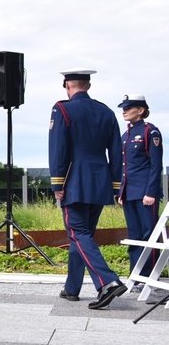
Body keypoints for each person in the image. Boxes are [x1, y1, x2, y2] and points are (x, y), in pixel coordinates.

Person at [49, 69, 126, 309]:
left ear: (67, 86)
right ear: (88, 86)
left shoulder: (61, 109)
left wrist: (58, 183)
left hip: (74, 179)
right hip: (100, 181)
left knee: (78, 233)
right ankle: (72, 288)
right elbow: (116, 151)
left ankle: (108, 282)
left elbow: (58, 148)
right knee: (83, 237)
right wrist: (115, 183)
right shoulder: (106, 111)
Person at [116, 95, 163, 283]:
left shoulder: (150, 132)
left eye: (128, 108)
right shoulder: (125, 135)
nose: (124, 111)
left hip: (145, 194)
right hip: (129, 193)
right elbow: (124, 167)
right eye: (123, 108)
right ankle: (135, 276)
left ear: (141, 110)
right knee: (134, 236)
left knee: (149, 234)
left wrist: (151, 192)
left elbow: (155, 165)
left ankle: (149, 277)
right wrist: (121, 192)